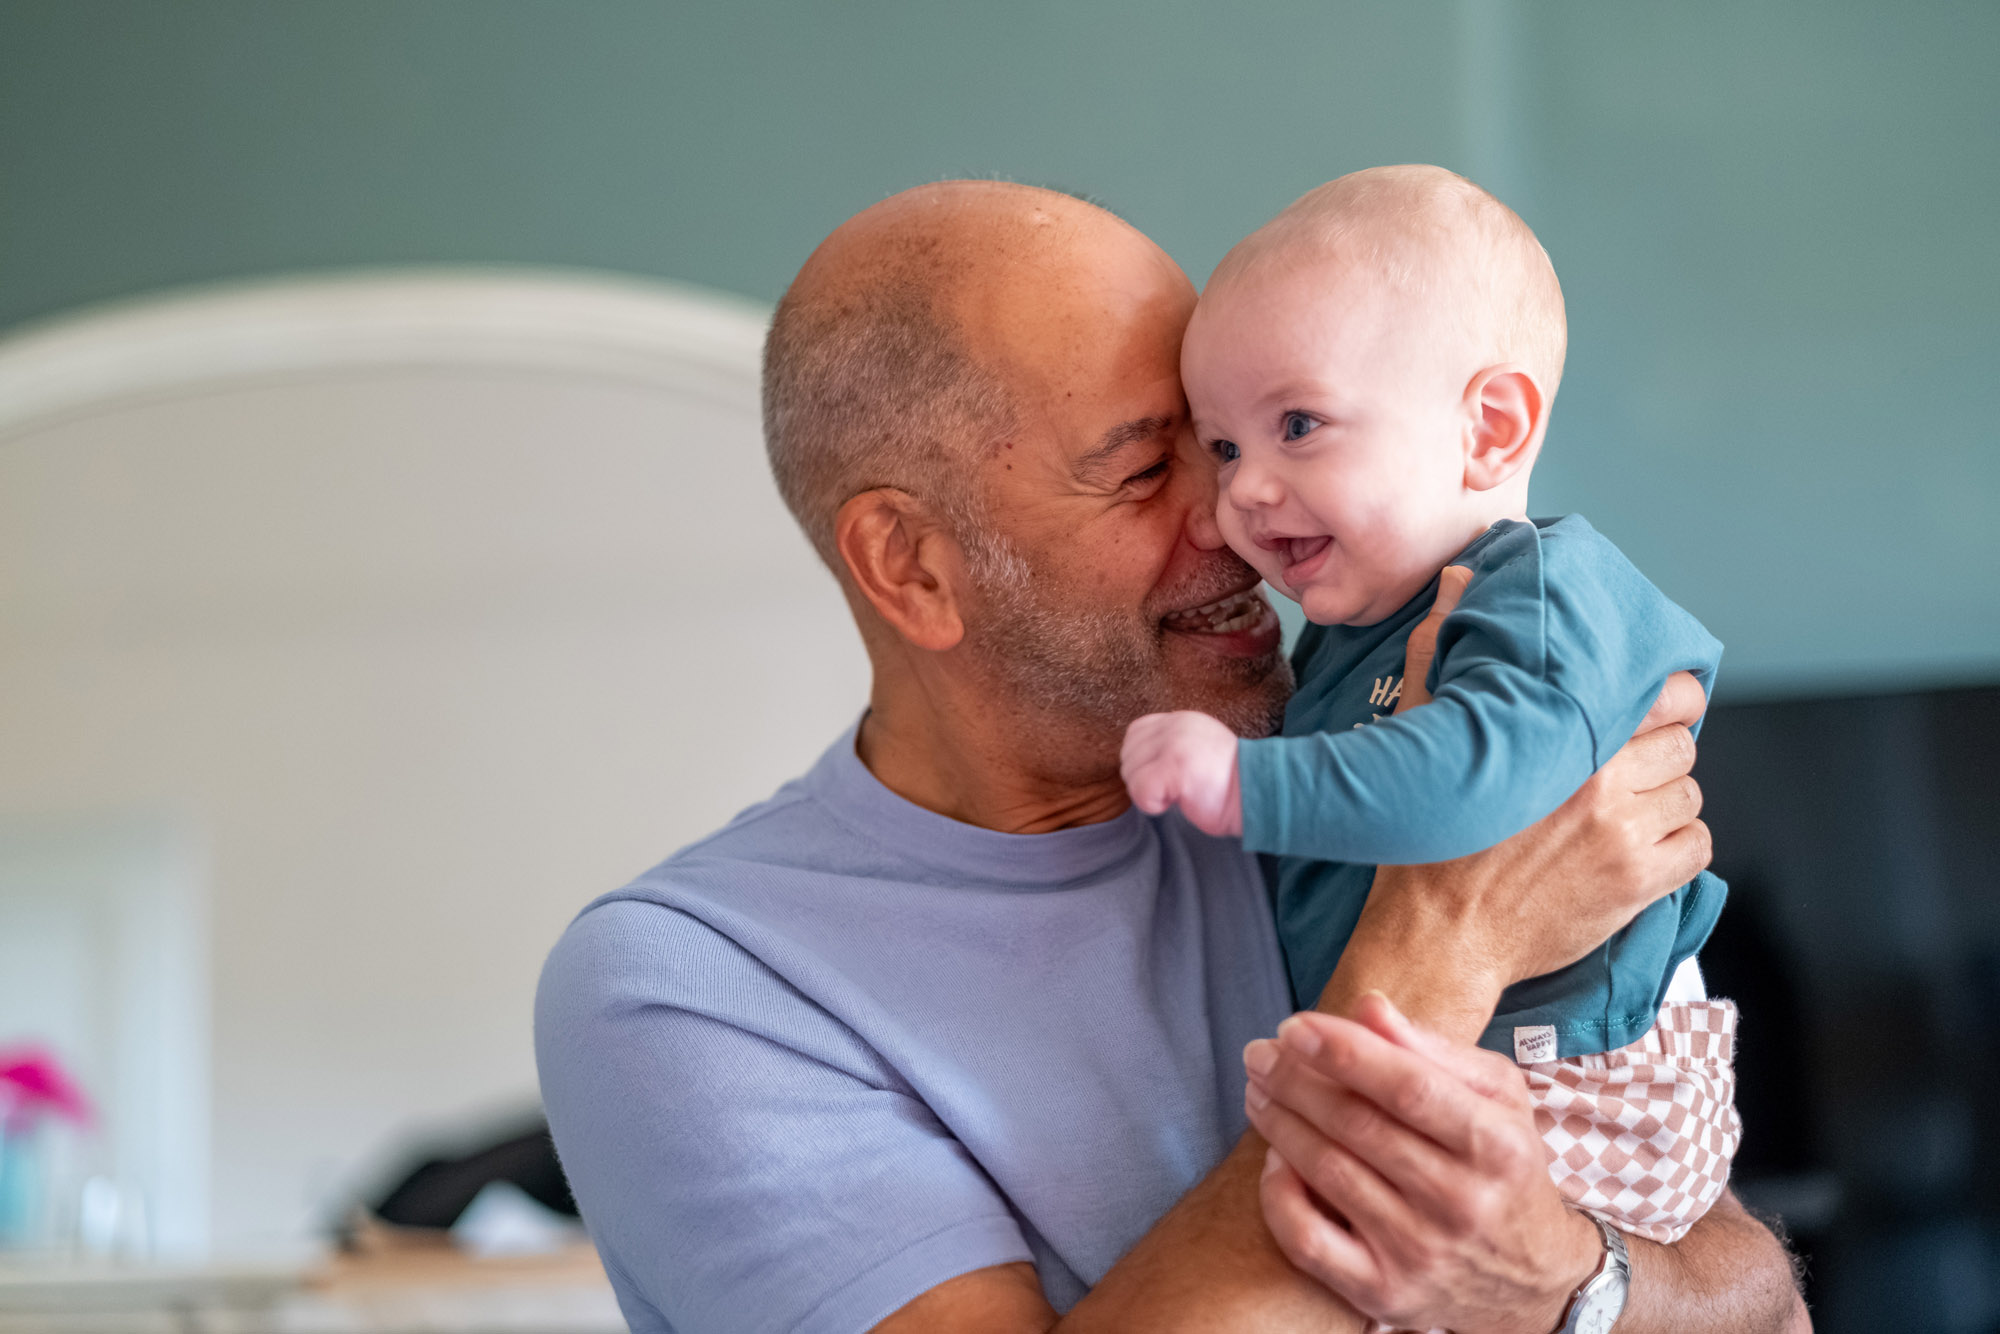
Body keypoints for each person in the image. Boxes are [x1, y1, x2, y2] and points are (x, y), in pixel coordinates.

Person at [534, 180, 1809, 1333]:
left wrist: (1561, 1284)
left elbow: (1758, 1304)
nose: (1239, 510)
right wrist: (1445, 931)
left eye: (1244, 435)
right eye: (1155, 465)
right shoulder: (694, 983)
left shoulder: (1343, 747)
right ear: (910, 564)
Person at [1120, 165, 1739, 1247]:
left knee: (1349, 1250)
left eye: (1298, 424)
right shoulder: (1346, 638)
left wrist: (1242, 781)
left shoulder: (1541, 593)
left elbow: (1483, 776)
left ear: (1489, 429)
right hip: (1488, 1055)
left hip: (1589, 1078)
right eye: (1224, 447)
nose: (1241, 494)